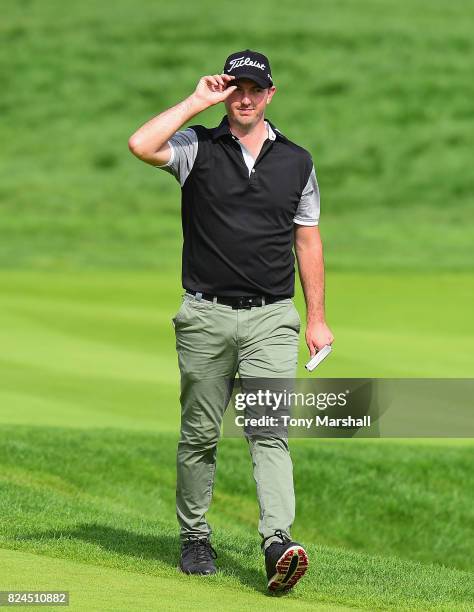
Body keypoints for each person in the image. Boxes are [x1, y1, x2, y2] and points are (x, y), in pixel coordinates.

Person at [128, 49, 334, 593]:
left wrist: (318, 318)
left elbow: (306, 238)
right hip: (205, 315)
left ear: (270, 94)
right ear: (226, 92)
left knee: (270, 432)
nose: (244, 97)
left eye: (254, 89)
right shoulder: (197, 146)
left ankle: (276, 543)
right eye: (234, 88)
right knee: (199, 435)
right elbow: (140, 145)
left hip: (271, 317)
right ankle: (195, 538)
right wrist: (196, 103)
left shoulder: (297, 160)